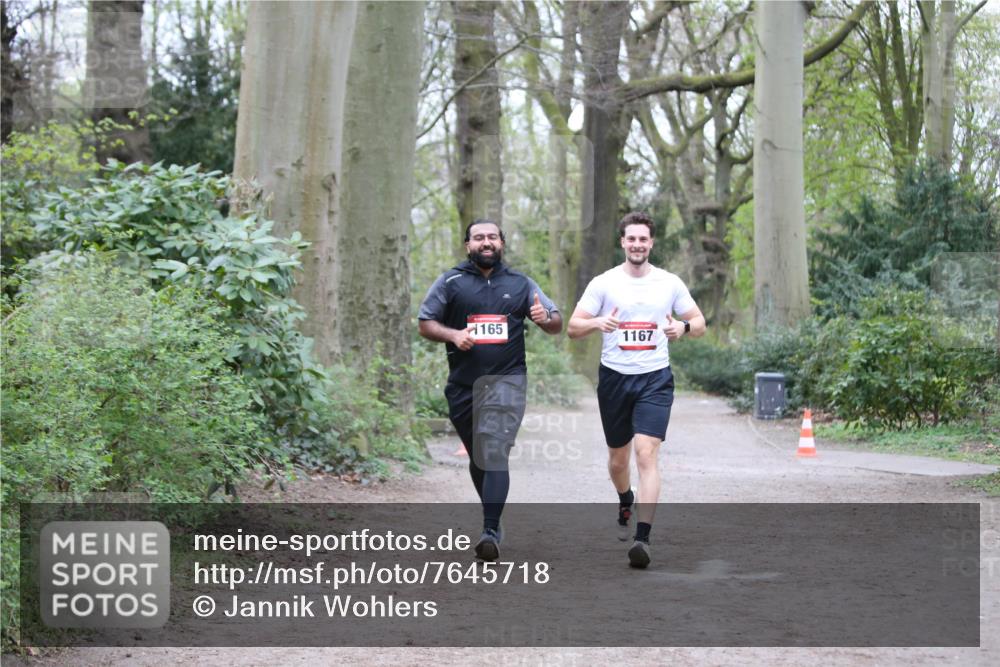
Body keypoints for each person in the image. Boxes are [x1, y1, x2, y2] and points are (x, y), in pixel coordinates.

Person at [567, 212, 705, 568]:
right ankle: (624, 497)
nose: (638, 245)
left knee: (646, 454)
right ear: (623, 242)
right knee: (618, 460)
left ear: (652, 243)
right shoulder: (604, 283)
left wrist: (684, 329)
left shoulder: (669, 282)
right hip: (614, 378)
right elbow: (573, 327)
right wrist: (599, 322)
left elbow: (700, 322)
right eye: (632, 239)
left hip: (655, 378)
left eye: (644, 239)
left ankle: (642, 539)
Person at [418, 219, 562, 561]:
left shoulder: (521, 283)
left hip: (507, 381)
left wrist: (544, 319)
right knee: (478, 454)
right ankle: (492, 518)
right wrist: (453, 335)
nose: (486, 242)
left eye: (492, 237)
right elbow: (426, 322)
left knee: (494, 448)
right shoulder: (450, 281)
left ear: (502, 243)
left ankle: (489, 529)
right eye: (479, 237)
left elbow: (555, 324)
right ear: (467, 245)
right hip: (463, 385)